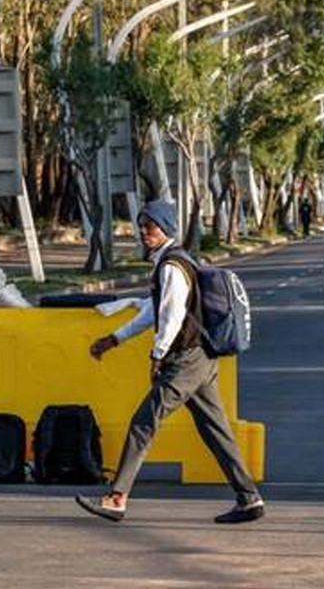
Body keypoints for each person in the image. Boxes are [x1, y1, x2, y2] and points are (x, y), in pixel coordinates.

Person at [76, 200, 264, 524]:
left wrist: (157, 355)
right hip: (201, 359)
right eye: (141, 226)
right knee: (215, 430)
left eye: (150, 226)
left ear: (166, 229)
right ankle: (249, 498)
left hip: (186, 361)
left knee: (142, 423)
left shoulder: (172, 266)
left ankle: (116, 498)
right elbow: (153, 311)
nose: (143, 232)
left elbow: (172, 315)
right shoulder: (173, 262)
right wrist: (115, 339)